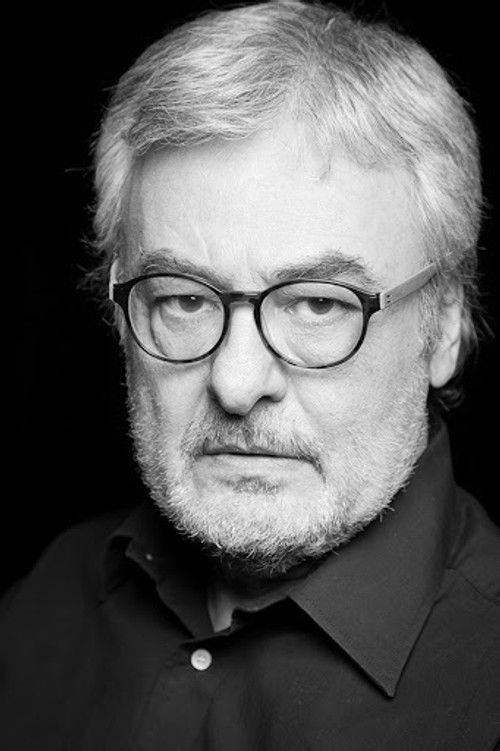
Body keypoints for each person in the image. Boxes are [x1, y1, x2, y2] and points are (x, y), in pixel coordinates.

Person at [2, 1, 499, 749]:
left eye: (317, 304)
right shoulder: (42, 606)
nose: (236, 384)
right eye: (184, 299)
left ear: (445, 327)